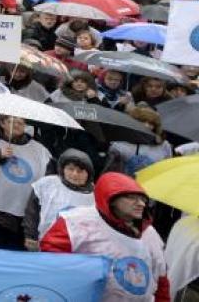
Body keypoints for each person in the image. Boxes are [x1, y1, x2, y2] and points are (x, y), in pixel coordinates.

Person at [41, 173, 169, 302]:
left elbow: (161, 278)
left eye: (143, 200)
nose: (141, 204)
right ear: (112, 199)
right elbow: (52, 262)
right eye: (132, 198)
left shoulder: (149, 234)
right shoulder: (77, 221)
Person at [0, 115, 53, 250]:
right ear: (2, 122)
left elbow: (48, 181)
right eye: (12, 122)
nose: (17, 125)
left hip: (23, 217)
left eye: (21, 122)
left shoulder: (40, 149)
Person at [24, 148, 94, 250]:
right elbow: (32, 212)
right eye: (70, 169)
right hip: (44, 244)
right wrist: (30, 236)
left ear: (88, 174)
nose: (75, 174)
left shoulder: (94, 195)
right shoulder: (47, 184)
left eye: (80, 171)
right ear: (63, 169)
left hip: (78, 249)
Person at [108, 107, 173, 177]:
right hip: (126, 184)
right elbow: (112, 169)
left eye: (151, 123)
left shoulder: (163, 145)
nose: (146, 126)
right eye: (142, 121)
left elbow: (167, 167)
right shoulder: (120, 143)